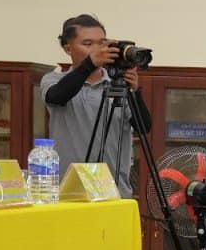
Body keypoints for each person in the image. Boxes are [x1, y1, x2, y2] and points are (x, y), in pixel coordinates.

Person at [40, 13, 150, 193]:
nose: (97, 49)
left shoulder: (116, 84)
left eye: (101, 43)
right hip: (70, 191)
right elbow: (57, 96)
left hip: (114, 190)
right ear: (68, 49)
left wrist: (135, 92)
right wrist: (90, 64)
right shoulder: (54, 79)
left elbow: (143, 127)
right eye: (88, 44)